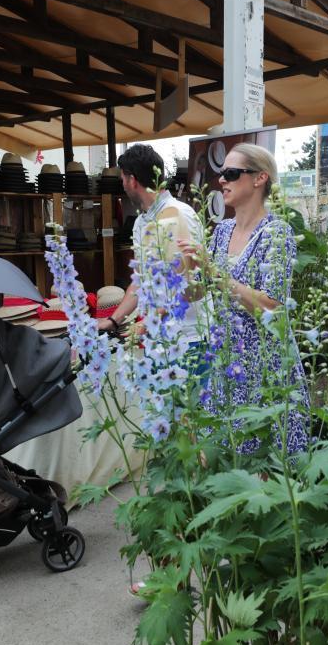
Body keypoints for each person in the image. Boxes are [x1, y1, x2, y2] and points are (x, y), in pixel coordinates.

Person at [180, 143, 309, 454]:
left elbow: (272, 307)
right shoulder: (222, 231)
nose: (222, 179)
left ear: (259, 178)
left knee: (266, 462)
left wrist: (213, 270)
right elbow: (203, 290)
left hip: (265, 366)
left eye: (232, 173)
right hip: (227, 363)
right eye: (222, 173)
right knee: (225, 457)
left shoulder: (276, 233)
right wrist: (183, 273)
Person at [97, 144, 207, 343]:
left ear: (132, 180)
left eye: (123, 179)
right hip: (157, 337)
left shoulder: (179, 214)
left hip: (188, 338)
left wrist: (150, 321)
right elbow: (140, 280)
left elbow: (193, 282)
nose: (123, 185)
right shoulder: (141, 221)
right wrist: (114, 320)